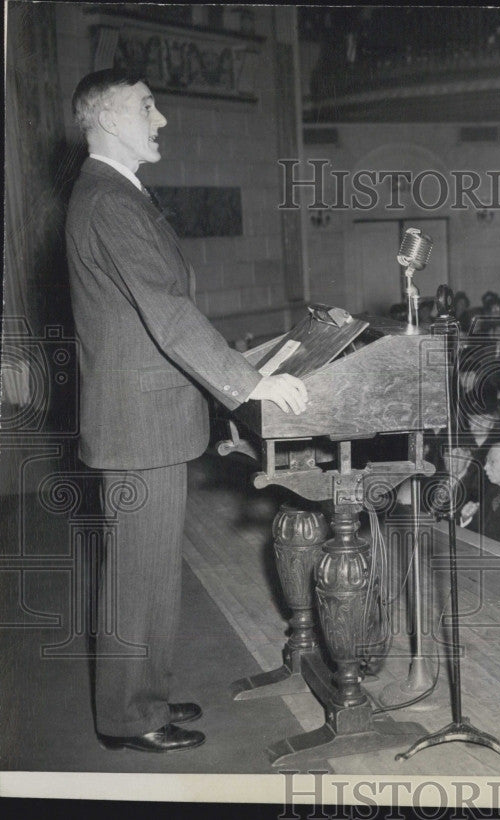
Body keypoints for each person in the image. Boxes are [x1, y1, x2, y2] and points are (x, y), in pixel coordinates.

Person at [66, 70, 307, 753]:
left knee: (148, 573)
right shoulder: (109, 199)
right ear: (109, 118)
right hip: (138, 424)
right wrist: (249, 384)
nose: (162, 119)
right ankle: (129, 717)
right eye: (147, 106)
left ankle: (144, 698)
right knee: (136, 578)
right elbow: (168, 313)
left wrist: (241, 366)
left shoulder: (115, 193)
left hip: (144, 419)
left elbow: (161, 314)